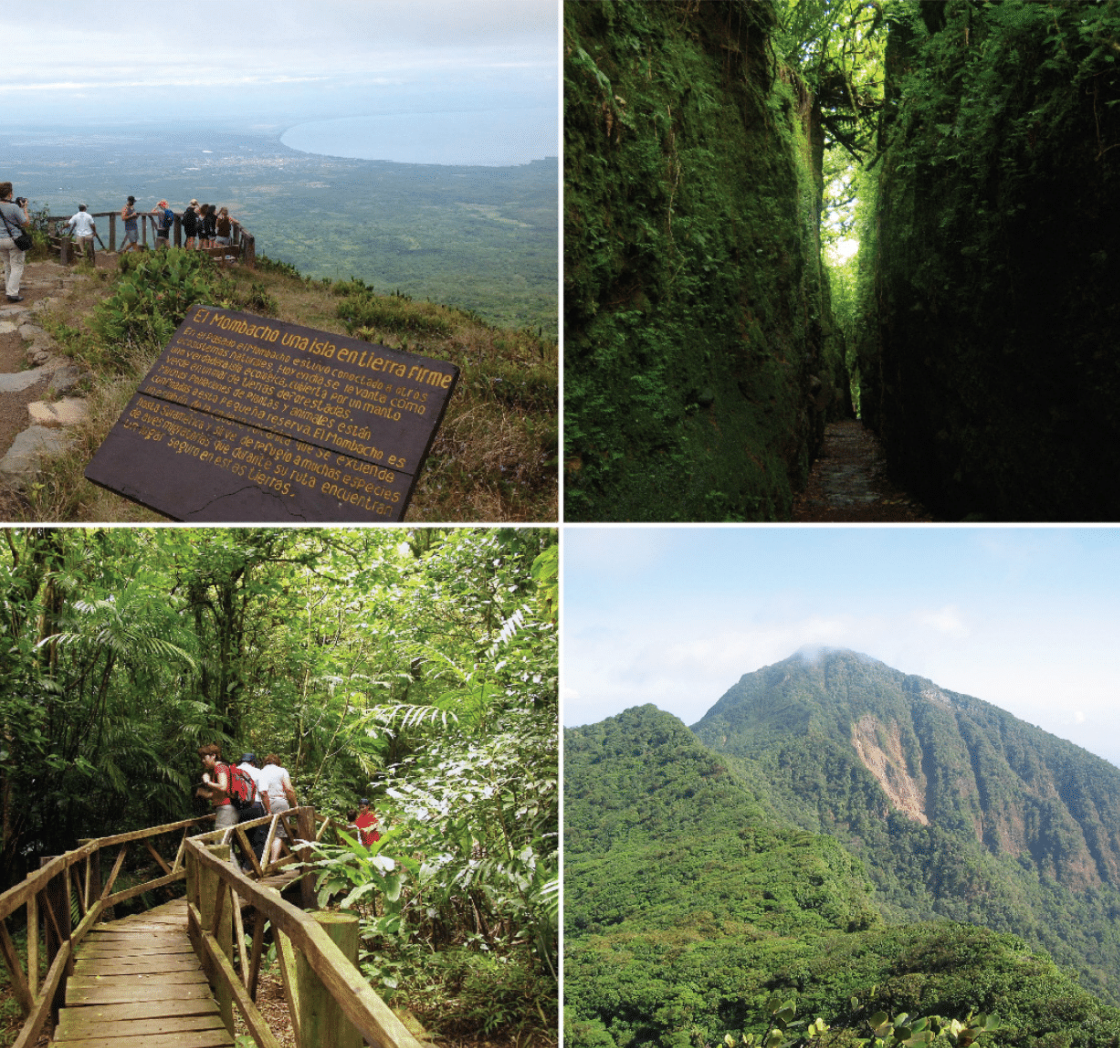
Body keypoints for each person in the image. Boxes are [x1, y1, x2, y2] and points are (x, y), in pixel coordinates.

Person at [258, 753, 299, 863]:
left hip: (263, 803)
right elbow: (289, 789)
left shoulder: (261, 772)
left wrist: (268, 809)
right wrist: (295, 805)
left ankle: (263, 863)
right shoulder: (282, 771)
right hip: (279, 802)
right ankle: (274, 861)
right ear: (277, 762)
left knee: (266, 833)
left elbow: (262, 792)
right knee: (278, 834)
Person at [236, 753, 270, 866]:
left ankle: (244, 866)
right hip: (254, 806)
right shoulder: (257, 772)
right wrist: (268, 811)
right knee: (258, 839)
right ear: (253, 763)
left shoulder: (233, 771)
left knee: (242, 838)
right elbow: (263, 792)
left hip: (237, 808)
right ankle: (250, 869)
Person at [0, 183, 30, 303]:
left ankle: (9, 289)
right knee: (17, 266)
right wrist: (24, 209)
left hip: (0, 241)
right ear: (10, 194)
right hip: (14, 240)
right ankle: (12, 294)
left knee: (7, 265)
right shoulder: (14, 208)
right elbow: (26, 223)